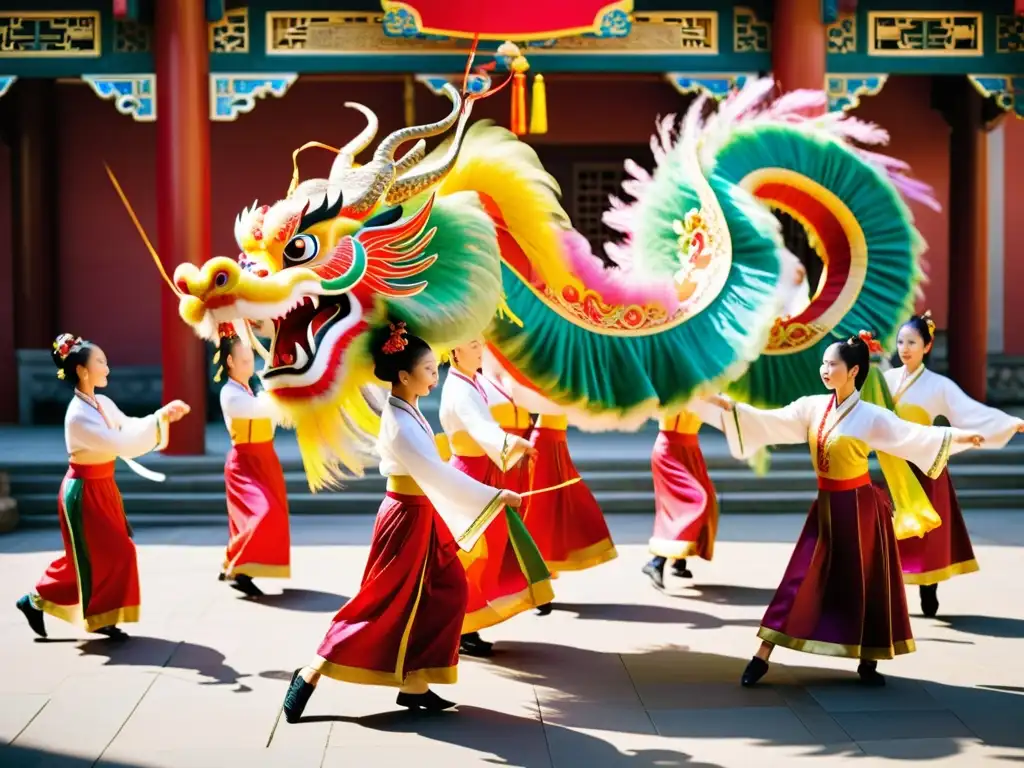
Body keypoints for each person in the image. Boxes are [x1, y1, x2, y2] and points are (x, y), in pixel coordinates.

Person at [704, 334, 983, 687]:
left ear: (853, 371)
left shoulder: (871, 416)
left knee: (862, 583)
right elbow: (770, 421)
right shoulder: (811, 407)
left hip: (860, 509)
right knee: (798, 579)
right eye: (823, 363)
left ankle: (869, 658)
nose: (824, 369)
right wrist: (728, 406)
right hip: (825, 508)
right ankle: (762, 655)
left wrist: (962, 436)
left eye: (832, 364)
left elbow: (915, 437)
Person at [281, 323, 521, 722]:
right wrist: (496, 496)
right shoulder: (401, 422)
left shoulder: (407, 411)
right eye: (428, 369)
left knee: (446, 590)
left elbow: (436, 474)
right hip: (405, 517)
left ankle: (414, 684)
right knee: (379, 604)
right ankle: (310, 673)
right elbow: (439, 474)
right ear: (405, 376)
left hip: (422, 513)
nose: (435, 375)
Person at [15, 333, 190, 640]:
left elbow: (128, 425)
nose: (107, 368)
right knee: (99, 556)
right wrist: (159, 420)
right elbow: (121, 442)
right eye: (101, 362)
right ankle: (39, 602)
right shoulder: (78, 415)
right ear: (82, 370)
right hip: (83, 492)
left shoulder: (102, 403)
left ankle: (94, 615)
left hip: (103, 486)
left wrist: (160, 416)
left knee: (107, 555)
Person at [886, 312, 1023, 617]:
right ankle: (892, 592)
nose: (904, 348)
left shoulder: (939, 385)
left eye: (912, 342)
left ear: (927, 346)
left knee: (927, 535)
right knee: (890, 535)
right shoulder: (886, 381)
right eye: (900, 341)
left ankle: (928, 586)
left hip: (926, 466)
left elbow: (971, 412)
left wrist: (1008, 423)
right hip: (894, 467)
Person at [440, 337, 552, 656]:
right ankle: (460, 627)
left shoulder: (471, 381)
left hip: (482, 471)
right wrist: (516, 444)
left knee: (493, 547)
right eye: (473, 345)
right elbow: (481, 427)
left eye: (480, 344)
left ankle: (468, 624)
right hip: (469, 476)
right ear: (454, 349)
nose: (481, 350)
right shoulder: (460, 388)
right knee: (475, 554)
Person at [215, 328, 290, 597]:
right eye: (244, 361)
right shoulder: (229, 393)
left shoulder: (252, 389)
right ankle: (238, 568)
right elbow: (260, 410)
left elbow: (271, 414)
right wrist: (277, 388)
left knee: (271, 515)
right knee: (260, 514)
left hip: (266, 458)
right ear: (230, 362)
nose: (250, 365)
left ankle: (235, 566)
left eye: (251, 360)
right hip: (245, 462)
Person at [642, 410, 717, 589]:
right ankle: (656, 562)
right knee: (694, 503)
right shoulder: (676, 384)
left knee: (707, 504)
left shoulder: (708, 385)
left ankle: (678, 560)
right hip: (669, 451)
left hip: (691, 450)